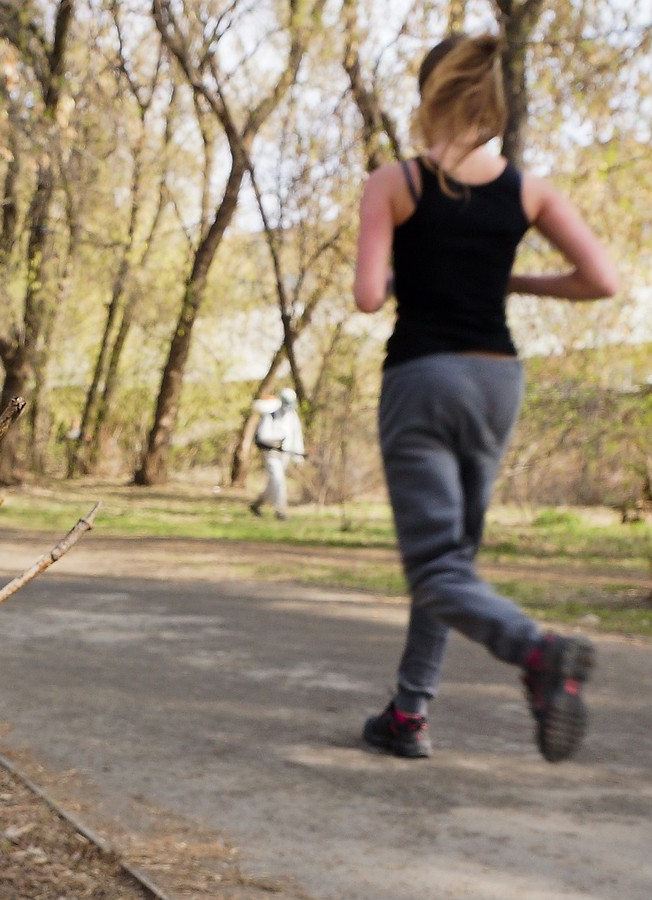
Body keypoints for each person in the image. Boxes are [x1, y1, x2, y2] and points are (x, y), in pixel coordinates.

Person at [352, 32, 620, 763]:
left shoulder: (395, 183)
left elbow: (369, 295)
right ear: (494, 104)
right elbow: (601, 279)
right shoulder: (526, 190)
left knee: (436, 565)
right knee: (451, 564)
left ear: (427, 98)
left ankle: (537, 652)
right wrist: (515, 281)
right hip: (496, 377)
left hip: (423, 376)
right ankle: (408, 714)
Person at [250, 387, 306, 520]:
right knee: (278, 480)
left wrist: (299, 456)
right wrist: (277, 438)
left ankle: (257, 504)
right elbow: (263, 435)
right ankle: (281, 511)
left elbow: (297, 436)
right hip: (271, 454)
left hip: (285, 455)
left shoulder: (293, 416)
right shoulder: (271, 415)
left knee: (273, 482)